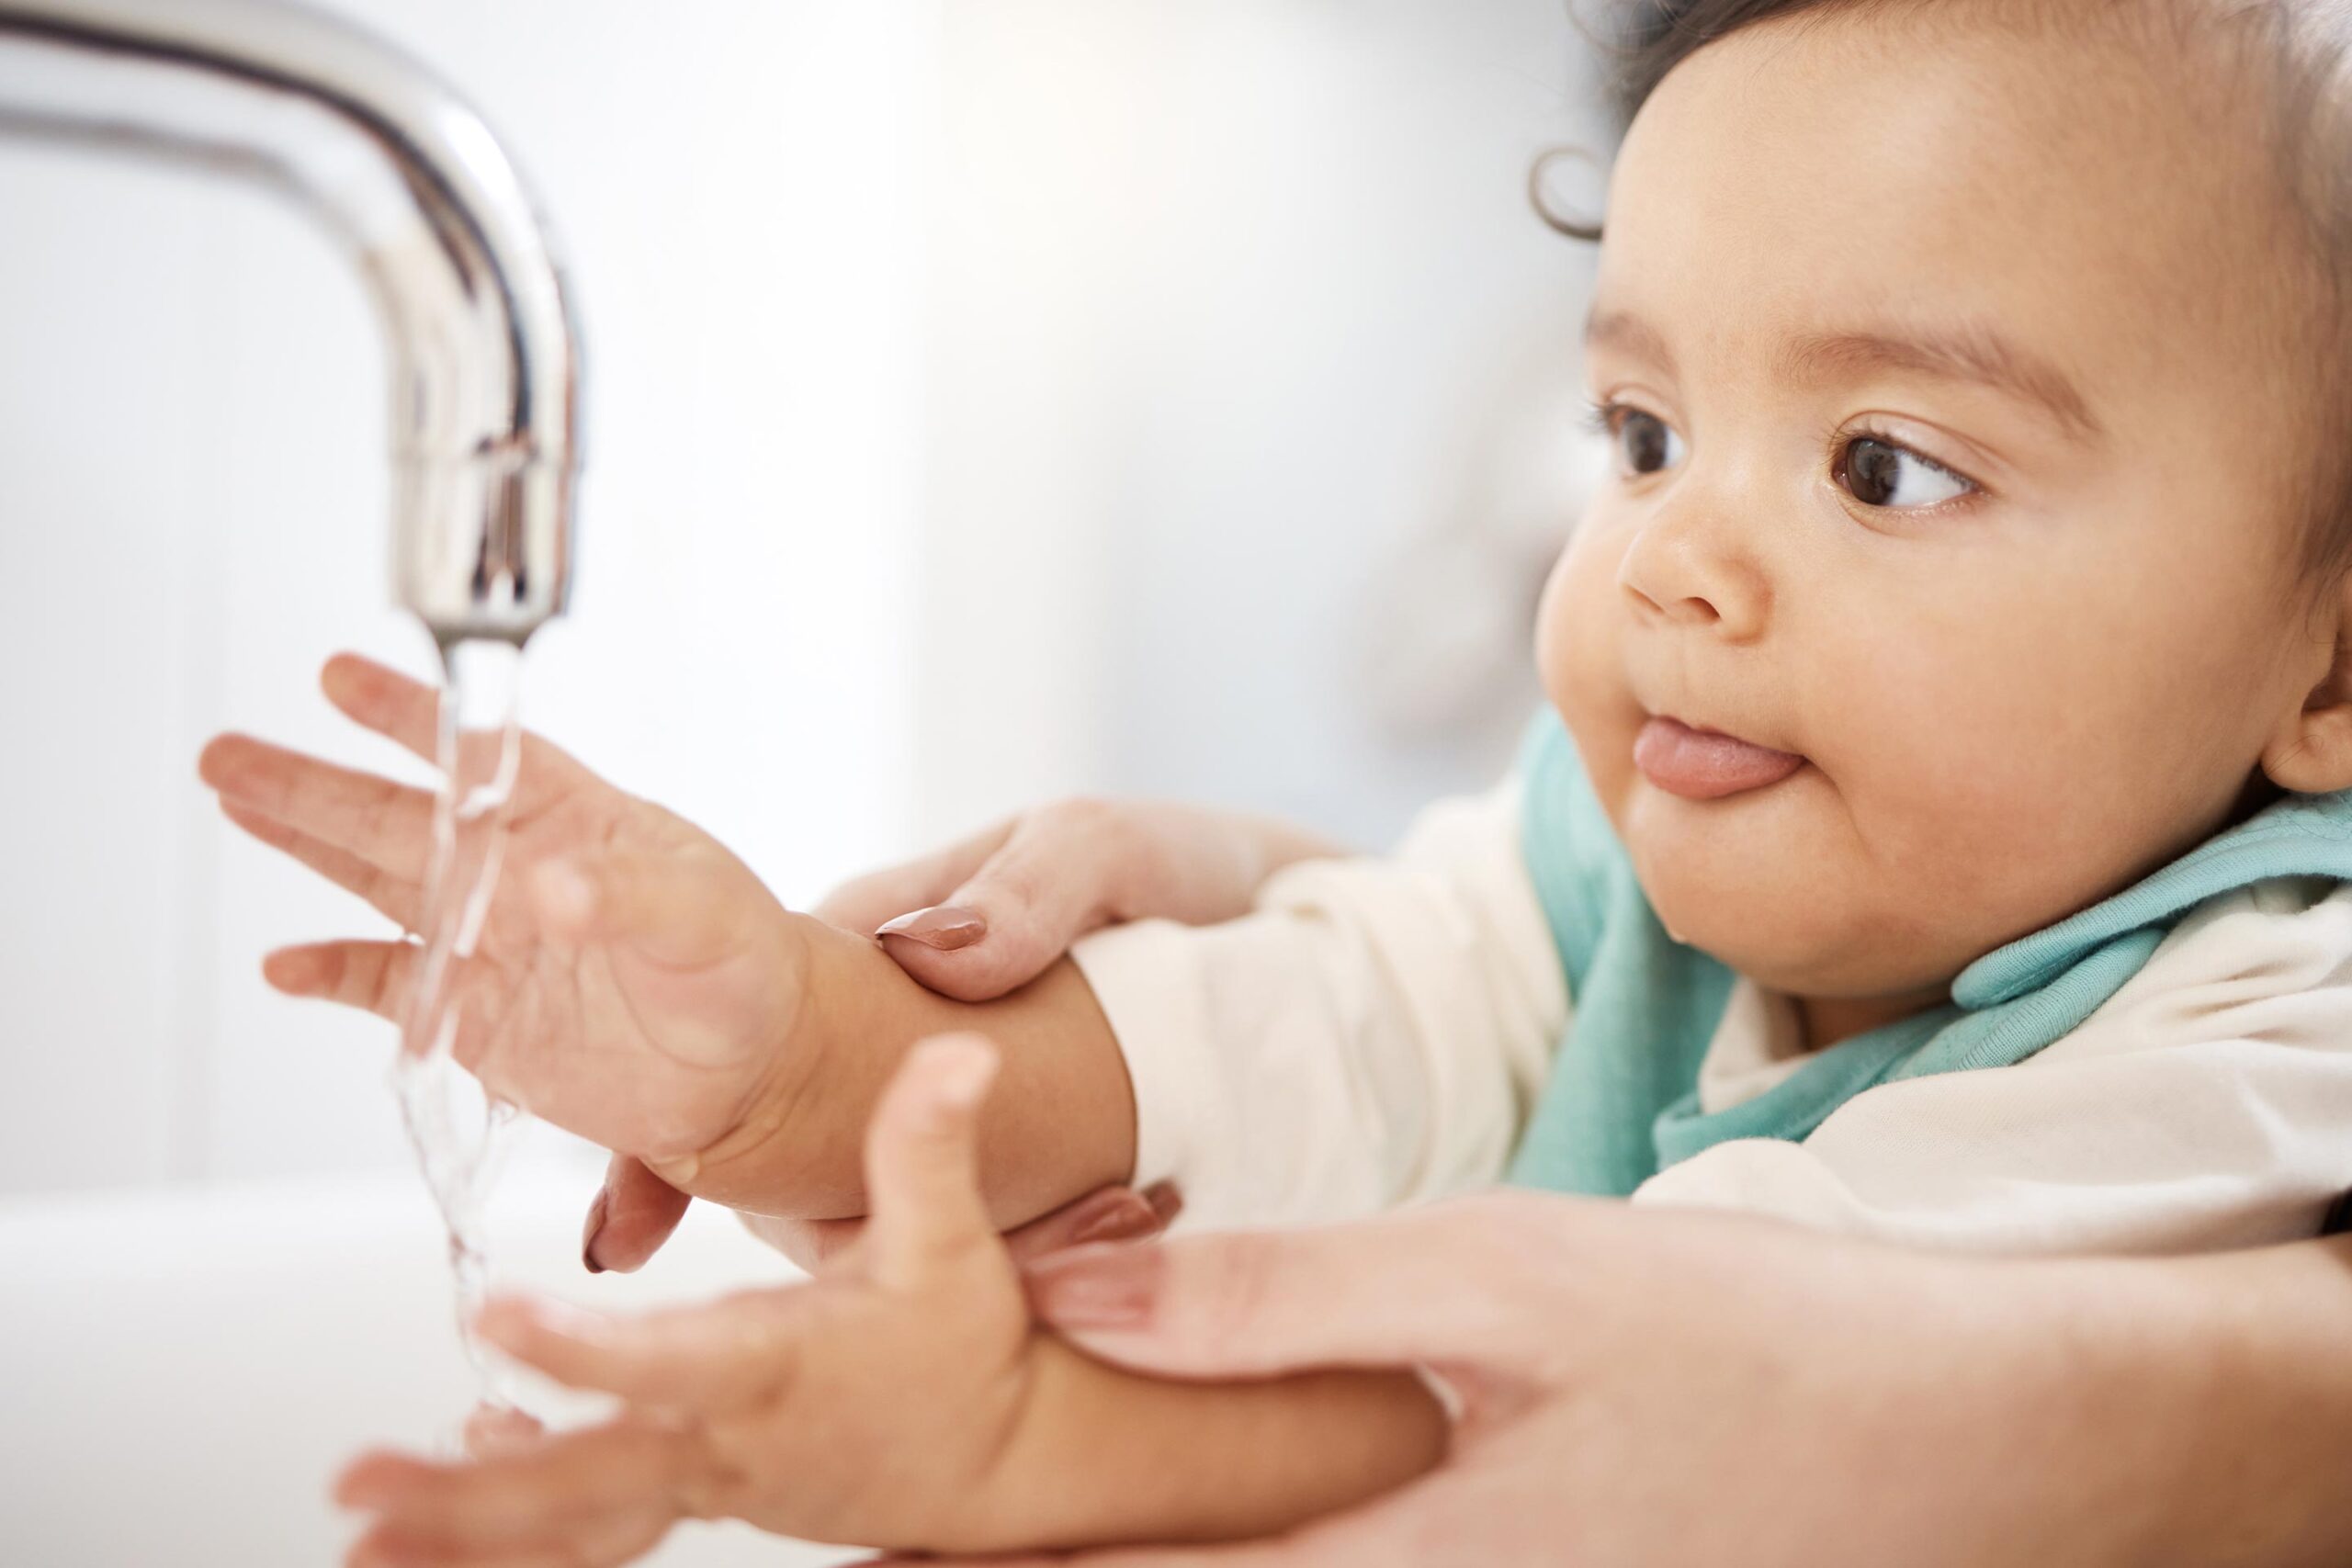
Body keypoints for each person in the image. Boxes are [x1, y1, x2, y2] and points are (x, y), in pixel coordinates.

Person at [198, 0, 2352, 1558]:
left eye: (1883, 464)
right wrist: (805, 1060)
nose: (1670, 561)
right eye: (1638, 435)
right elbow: (1325, 1018)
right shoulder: (1605, 856)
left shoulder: (2270, 1034)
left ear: (2325, 659)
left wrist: (1024, 1431)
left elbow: (1698, 1363)